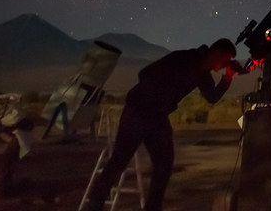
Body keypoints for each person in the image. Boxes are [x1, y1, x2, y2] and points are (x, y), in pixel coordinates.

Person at [83, 38, 241, 211]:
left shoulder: (203, 73)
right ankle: (95, 204)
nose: (225, 64)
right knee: (120, 159)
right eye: (225, 60)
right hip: (139, 110)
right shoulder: (184, 58)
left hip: (158, 117)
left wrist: (228, 77)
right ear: (216, 53)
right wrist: (160, 94)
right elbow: (145, 73)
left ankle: (153, 207)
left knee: (164, 163)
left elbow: (212, 97)